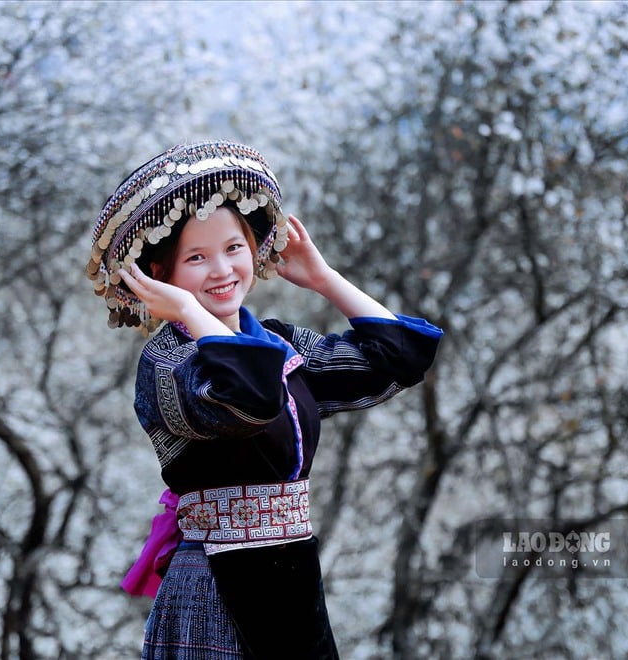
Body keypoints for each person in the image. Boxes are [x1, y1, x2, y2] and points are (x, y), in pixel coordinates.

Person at [86, 140, 442, 659]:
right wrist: (186, 311)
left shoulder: (280, 345)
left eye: (234, 248)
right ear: (160, 276)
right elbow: (249, 396)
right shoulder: (167, 363)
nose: (223, 270)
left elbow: (398, 357)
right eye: (196, 258)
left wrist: (324, 279)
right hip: (216, 586)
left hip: (294, 583)